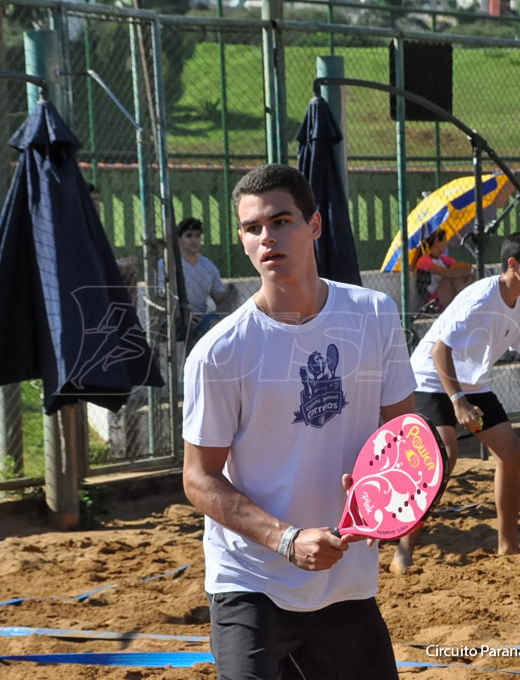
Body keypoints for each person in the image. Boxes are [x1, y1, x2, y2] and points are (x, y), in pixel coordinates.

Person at [181, 164, 415, 680]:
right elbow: (198, 479)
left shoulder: (374, 315)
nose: (267, 237)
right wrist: (286, 538)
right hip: (251, 579)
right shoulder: (219, 353)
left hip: (346, 577)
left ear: (314, 226)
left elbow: (407, 437)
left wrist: (390, 499)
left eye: (281, 221)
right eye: (252, 228)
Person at [391, 231, 520, 575]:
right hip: (430, 379)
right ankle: (403, 550)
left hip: (472, 383)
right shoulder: (481, 298)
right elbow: (439, 350)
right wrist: (458, 401)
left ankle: (508, 545)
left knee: (511, 452)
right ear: (513, 264)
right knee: (443, 457)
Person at [158, 217, 233, 349]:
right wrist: (181, 314)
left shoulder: (208, 266)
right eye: (189, 236)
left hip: (200, 321)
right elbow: (159, 299)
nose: (194, 240)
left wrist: (218, 318)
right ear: (179, 239)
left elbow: (221, 298)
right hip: (173, 320)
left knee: (217, 326)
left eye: (198, 236)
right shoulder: (165, 265)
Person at [414, 230, 475, 312]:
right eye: (444, 240)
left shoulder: (443, 259)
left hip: (446, 294)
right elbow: (446, 272)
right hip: (434, 300)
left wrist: (469, 270)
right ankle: (466, 303)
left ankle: (465, 302)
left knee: (463, 275)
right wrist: (467, 270)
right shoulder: (424, 260)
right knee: (451, 277)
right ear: (436, 242)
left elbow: (461, 267)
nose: (447, 243)